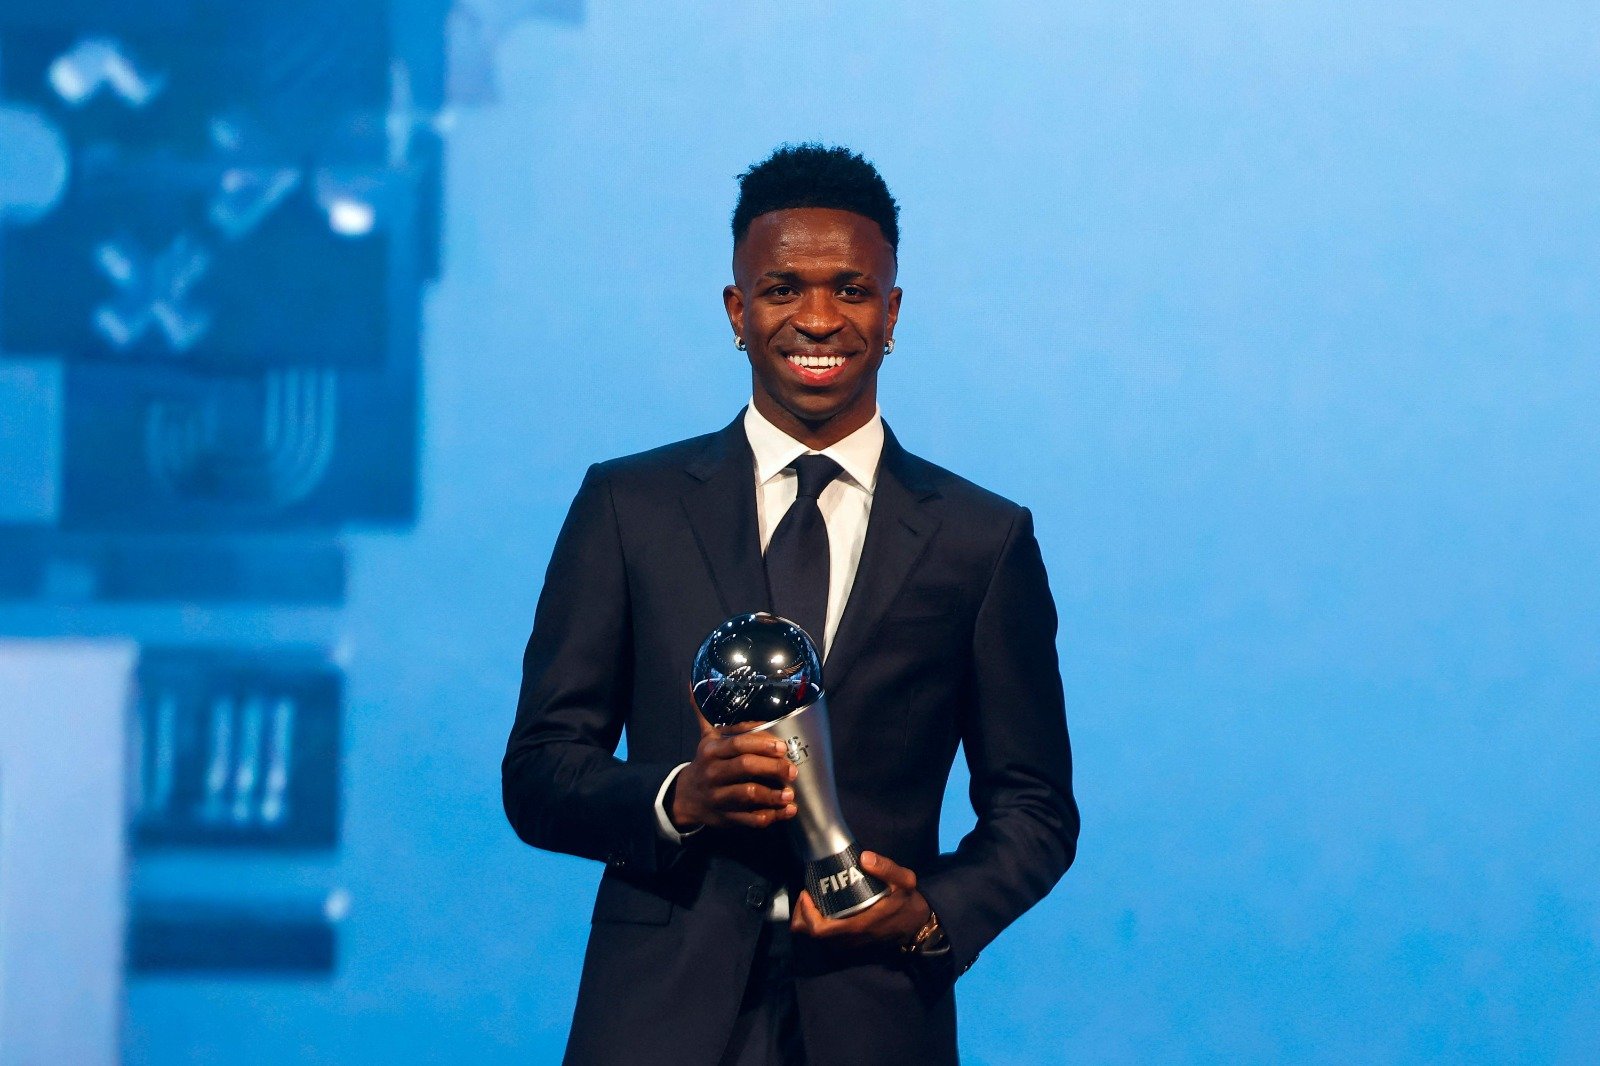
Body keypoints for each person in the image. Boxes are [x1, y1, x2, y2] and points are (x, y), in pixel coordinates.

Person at [503, 144, 1078, 1065]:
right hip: (654, 1023)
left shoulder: (984, 539)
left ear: (892, 315)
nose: (818, 318)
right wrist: (681, 796)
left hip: (875, 1015)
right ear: (737, 311)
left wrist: (930, 912)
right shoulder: (629, 508)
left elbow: (1036, 809)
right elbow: (537, 773)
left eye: (851, 290)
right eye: (782, 289)